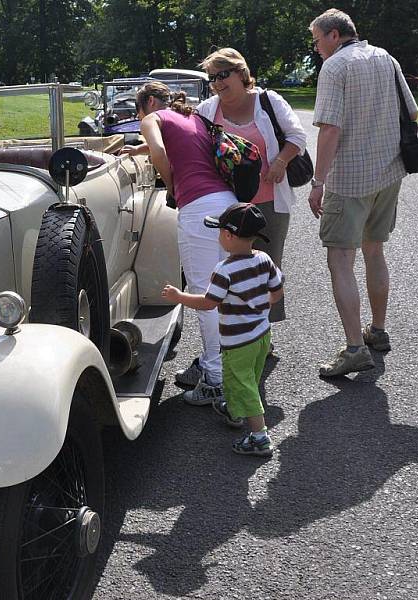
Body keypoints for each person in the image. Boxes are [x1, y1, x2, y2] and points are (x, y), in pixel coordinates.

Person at [308, 9, 418, 377]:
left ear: (335, 35)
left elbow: (329, 130)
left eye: (317, 39)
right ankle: (379, 330)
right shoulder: (386, 57)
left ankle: (355, 348)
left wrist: (318, 182)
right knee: (375, 250)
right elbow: (413, 113)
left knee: (340, 259)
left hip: (349, 180)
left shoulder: (336, 67)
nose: (316, 47)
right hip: (389, 174)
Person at [123, 81, 237, 406]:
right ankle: (234, 366)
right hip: (227, 204)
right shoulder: (193, 117)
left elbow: (160, 150)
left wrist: (172, 187)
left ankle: (214, 379)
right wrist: (138, 149)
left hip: (198, 209)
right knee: (228, 290)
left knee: (204, 294)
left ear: (147, 103)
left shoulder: (152, 119)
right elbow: (179, 145)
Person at [195, 47, 307, 334]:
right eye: (212, 78)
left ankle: (262, 333)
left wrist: (281, 161)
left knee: (264, 268)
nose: (218, 83)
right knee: (228, 268)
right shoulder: (207, 110)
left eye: (223, 74)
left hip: (269, 203)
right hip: (227, 204)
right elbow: (189, 143)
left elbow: (297, 136)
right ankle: (235, 330)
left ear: (241, 73)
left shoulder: (268, 101)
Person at [162, 203, 284, 456]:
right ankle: (234, 409)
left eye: (219, 232)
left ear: (228, 236)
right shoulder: (264, 259)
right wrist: (259, 306)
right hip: (262, 335)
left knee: (244, 384)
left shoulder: (224, 270)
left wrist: (178, 296)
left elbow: (208, 303)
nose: (218, 236)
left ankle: (259, 437)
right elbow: (277, 291)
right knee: (246, 377)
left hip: (238, 341)